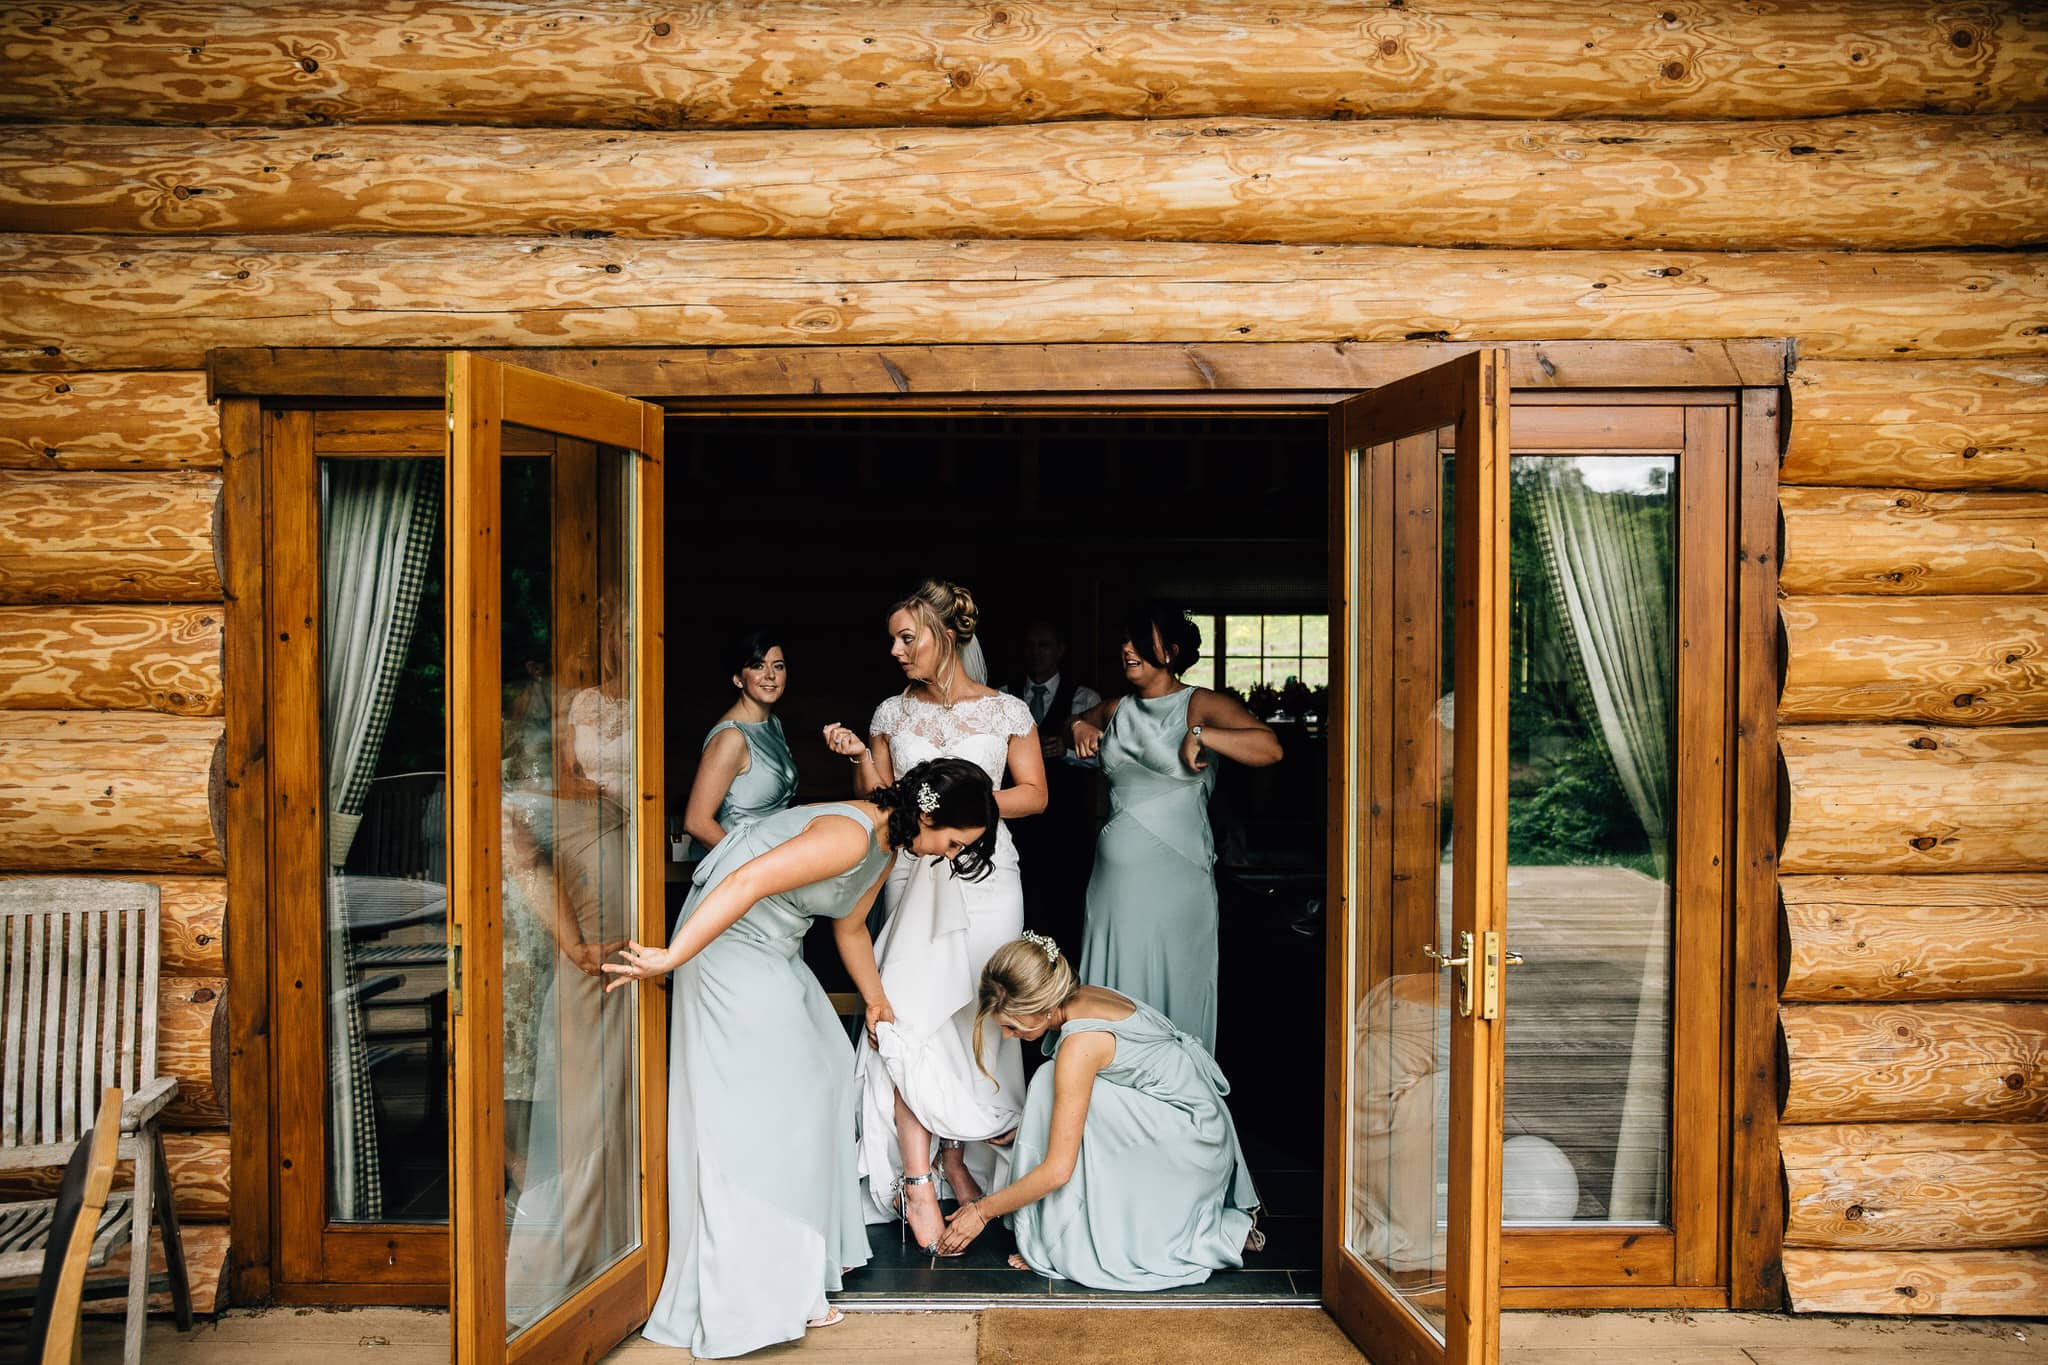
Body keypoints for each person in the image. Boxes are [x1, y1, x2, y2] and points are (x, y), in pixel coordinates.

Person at [603, 758, 999, 1359]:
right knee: (769, 1105)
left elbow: (850, 929)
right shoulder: (848, 834)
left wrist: (876, 1002)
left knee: (827, 1071)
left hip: (774, 948)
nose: (946, 854)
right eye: (950, 841)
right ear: (926, 814)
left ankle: (797, 1263)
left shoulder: (887, 849)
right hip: (725, 948)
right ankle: (756, 1281)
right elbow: (740, 885)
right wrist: (670, 956)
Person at [821, 578, 1048, 1254]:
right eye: (893, 638)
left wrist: (964, 814)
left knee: (983, 1016)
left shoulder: (1005, 710)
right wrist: (863, 758)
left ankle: (964, 1156)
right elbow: (881, 805)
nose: (896, 650)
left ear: (945, 635)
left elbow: (1035, 793)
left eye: (907, 636)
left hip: (988, 880)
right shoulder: (891, 713)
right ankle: (919, 1175)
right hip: (913, 875)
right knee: (910, 1015)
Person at [932, 933, 1264, 1289]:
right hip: (1201, 1127)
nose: (1009, 1036)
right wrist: (1034, 1124)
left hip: (1191, 1143)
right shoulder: (1083, 996)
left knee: (1048, 1083)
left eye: (1012, 1025)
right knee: (1050, 1087)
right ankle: (1059, 1230)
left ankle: (1059, 1239)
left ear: (1043, 1006)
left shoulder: (1080, 1045)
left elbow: (1058, 1171)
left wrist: (981, 1212)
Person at [1069, 604, 1282, 1053]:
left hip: (1176, 877)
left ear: (1172, 651)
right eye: (1125, 640)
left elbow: (1270, 748)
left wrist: (1204, 735)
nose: (1127, 649)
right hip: (1114, 886)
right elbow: (1084, 719)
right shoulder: (1116, 707)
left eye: (1140, 641)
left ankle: (1177, 1091)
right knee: (1112, 988)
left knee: (1175, 982)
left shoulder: (1200, 703)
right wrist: (1078, 726)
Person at [1003, 618, 1103, 952]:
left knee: (1066, 906)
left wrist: (1069, 750)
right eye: (1030, 646)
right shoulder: (1004, 696)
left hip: (1067, 823)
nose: (1035, 653)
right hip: (1016, 825)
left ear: (1060, 650)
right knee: (1018, 905)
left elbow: (1105, 757)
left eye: (1044, 645)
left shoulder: (1085, 698)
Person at [681, 629, 796, 854]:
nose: (771, 675)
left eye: (778, 666)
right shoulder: (731, 738)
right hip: (744, 868)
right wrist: (751, 865)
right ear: (738, 679)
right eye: (758, 666)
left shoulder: (773, 724)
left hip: (777, 860)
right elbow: (696, 823)